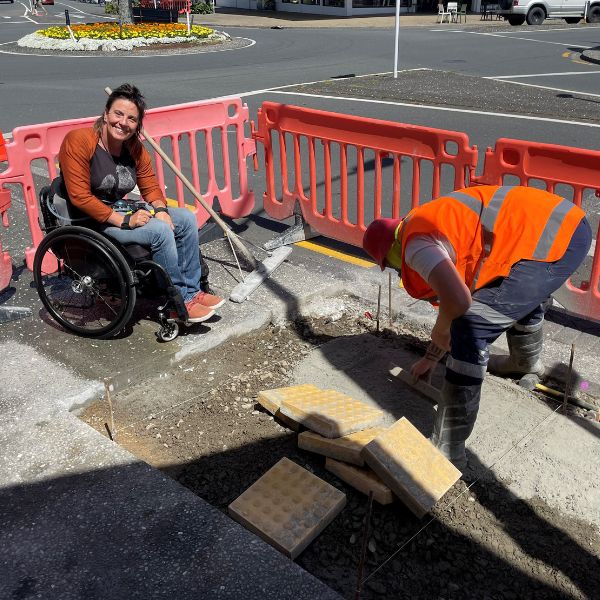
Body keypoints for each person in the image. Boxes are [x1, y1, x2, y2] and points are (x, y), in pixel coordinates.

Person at [363, 185, 591, 470]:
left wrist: (443, 332)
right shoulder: (426, 223)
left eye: (390, 264)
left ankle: (447, 448)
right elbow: (455, 295)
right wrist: (432, 356)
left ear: (391, 250)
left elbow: (458, 303)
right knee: (508, 296)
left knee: (471, 327)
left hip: (555, 237)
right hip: (560, 227)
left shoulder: (414, 245)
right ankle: (524, 363)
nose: (397, 269)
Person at [55, 83, 224, 323]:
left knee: (185, 219)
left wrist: (161, 209)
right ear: (106, 113)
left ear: (137, 125)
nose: (123, 122)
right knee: (159, 231)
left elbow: (150, 185)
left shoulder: (133, 147)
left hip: (119, 210)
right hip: (91, 219)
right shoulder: (79, 141)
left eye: (131, 119)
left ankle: (192, 291)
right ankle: (177, 300)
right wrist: (125, 221)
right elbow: (80, 197)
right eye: (118, 114)